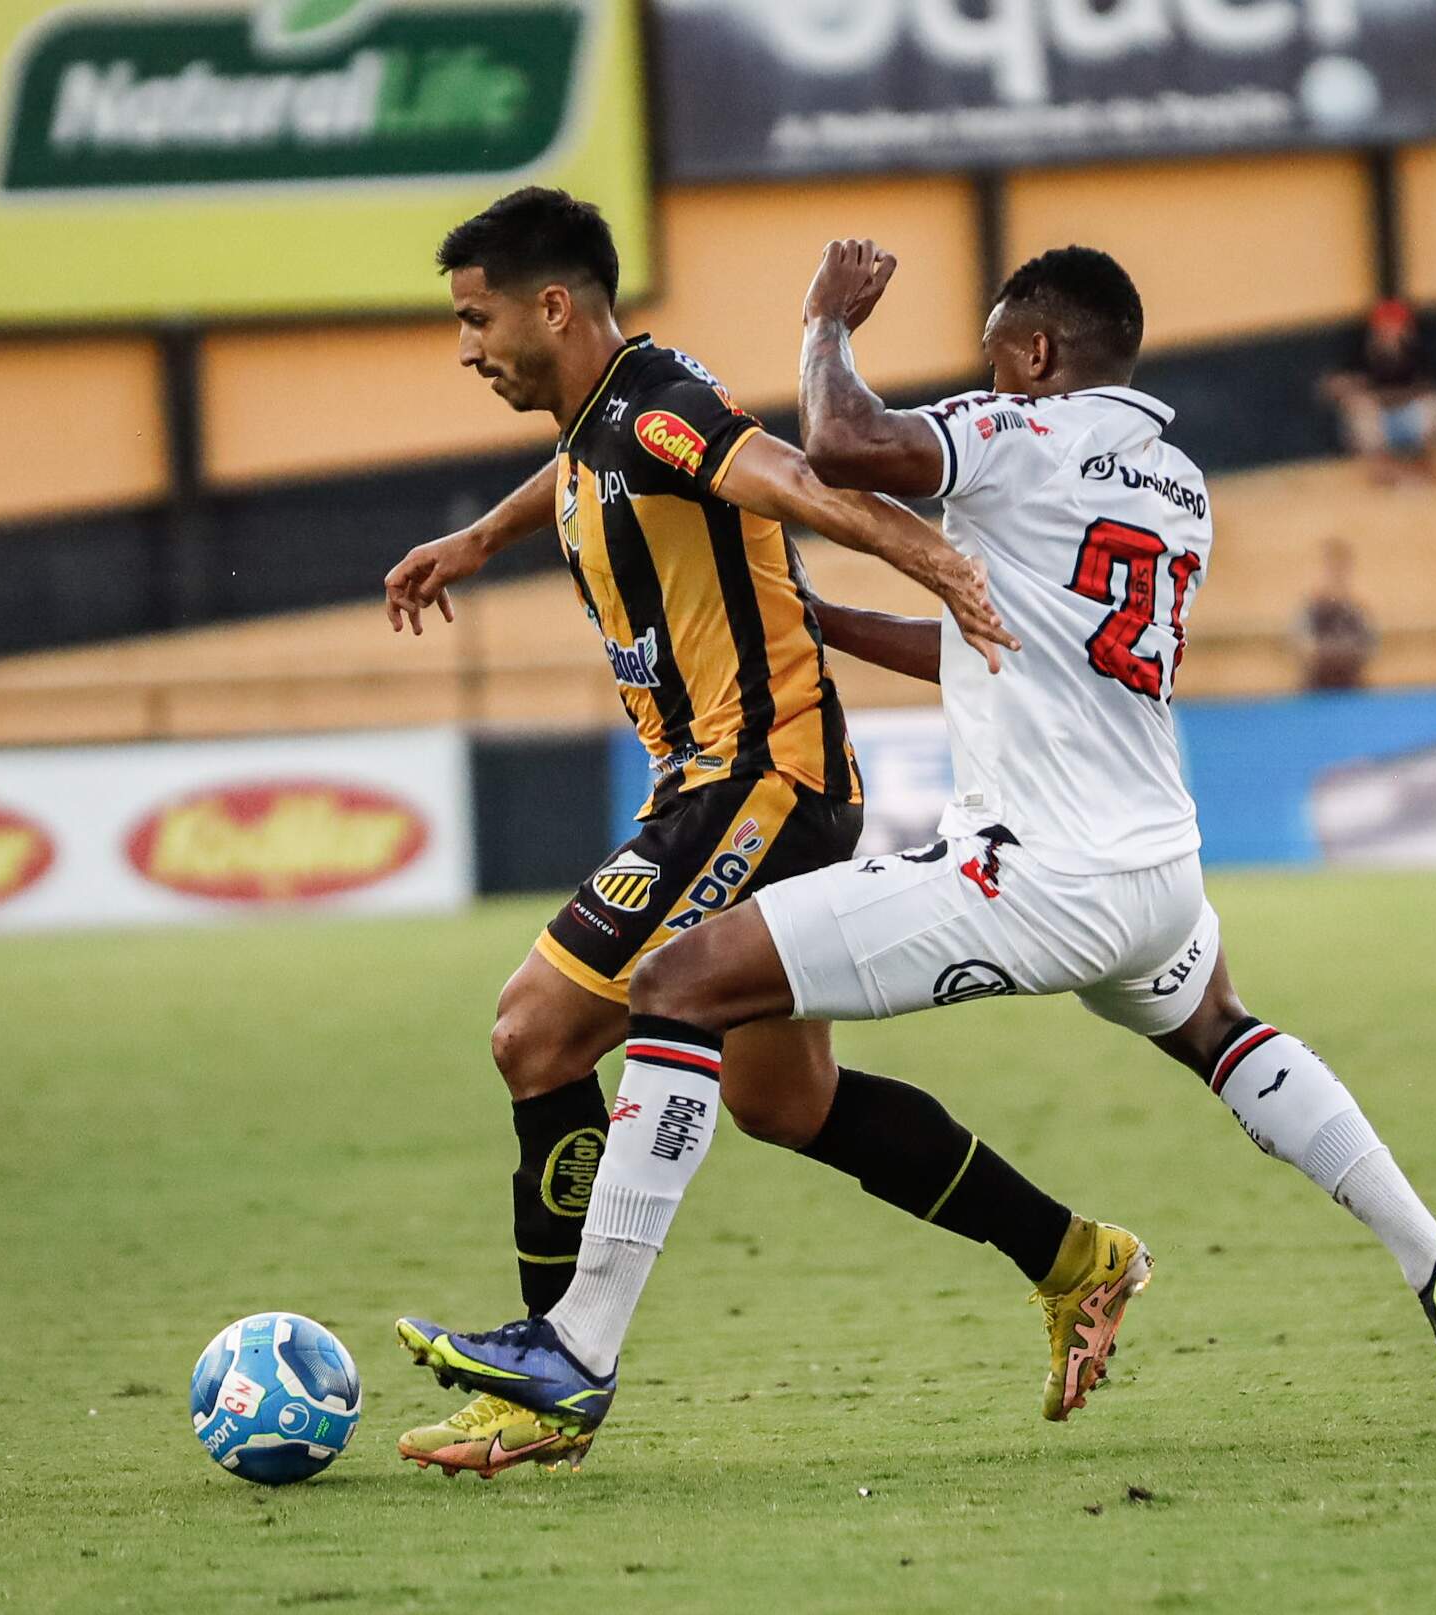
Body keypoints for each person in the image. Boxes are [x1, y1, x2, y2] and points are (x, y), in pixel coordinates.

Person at [399, 240, 1436, 1475]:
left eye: (995, 356)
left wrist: (826, 325)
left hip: (1024, 876)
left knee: (674, 985)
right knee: (1222, 1034)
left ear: (1035, 356)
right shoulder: (1174, 487)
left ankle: (575, 1357)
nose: (983, 377)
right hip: (1157, 873)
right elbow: (992, 652)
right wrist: (814, 617)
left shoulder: (1016, 436)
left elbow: (839, 448)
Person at [378, 189, 1108, 1478]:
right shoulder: (610, 415)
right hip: (731, 785)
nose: (465, 346)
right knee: (786, 1098)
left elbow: (786, 478)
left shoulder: (660, 403)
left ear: (554, 306)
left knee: (534, 1030)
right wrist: (482, 536)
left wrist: (934, 562)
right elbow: (590, 464)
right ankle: (1073, 1256)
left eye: (474, 317)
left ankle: (552, 1372)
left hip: (756, 781)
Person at [1326, 299, 1436, 485]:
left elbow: (1430, 389)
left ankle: (1425, 466)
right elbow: (1335, 387)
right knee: (1360, 410)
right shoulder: (1361, 355)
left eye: (1396, 327)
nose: (1391, 333)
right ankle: (1387, 473)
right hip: (1379, 422)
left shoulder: (1418, 353)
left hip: (1410, 417)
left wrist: (1377, 395)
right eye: (1385, 328)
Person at [1300, 537, 1378, 690]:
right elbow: (1304, 648)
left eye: (1340, 569)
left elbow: (1369, 645)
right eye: (1331, 569)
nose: (1336, 576)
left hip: (1352, 685)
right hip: (1316, 687)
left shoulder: (1357, 610)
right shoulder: (1312, 610)